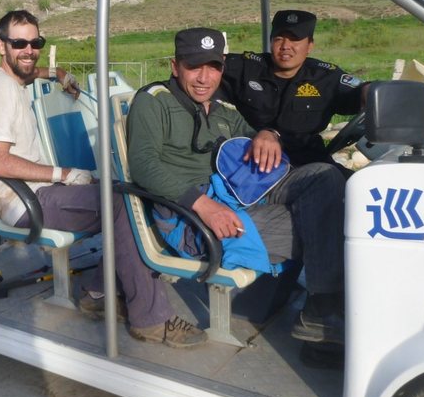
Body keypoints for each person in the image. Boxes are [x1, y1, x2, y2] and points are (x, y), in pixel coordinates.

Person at [0, 9, 206, 349]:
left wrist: (57, 73)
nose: (29, 50)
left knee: (124, 193)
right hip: (22, 200)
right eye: (19, 43)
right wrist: (65, 175)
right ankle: (151, 319)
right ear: (0, 45)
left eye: (35, 42)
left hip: (39, 191)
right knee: (123, 204)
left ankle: (97, 292)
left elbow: (30, 70)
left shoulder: (11, 78)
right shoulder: (1, 91)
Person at [127, 27, 346, 345]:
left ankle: (322, 303)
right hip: (192, 218)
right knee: (322, 222)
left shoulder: (221, 109)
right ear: (176, 67)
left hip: (236, 197)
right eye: (194, 66)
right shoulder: (153, 101)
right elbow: (143, 166)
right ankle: (323, 309)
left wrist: (268, 133)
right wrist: (204, 205)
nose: (204, 78)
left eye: (213, 67)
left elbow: (254, 131)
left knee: (325, 178)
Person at [220, 10, 367, 174]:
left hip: (310, 164)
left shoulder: (325, 77)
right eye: (279, 38)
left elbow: (362, 91)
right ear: (270, 42)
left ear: (310, 45)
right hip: (255, 168)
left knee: (358, 188)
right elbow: (207, 64)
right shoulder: (247, 68)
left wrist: (371, 91)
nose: (285, 46)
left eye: (295, 39)